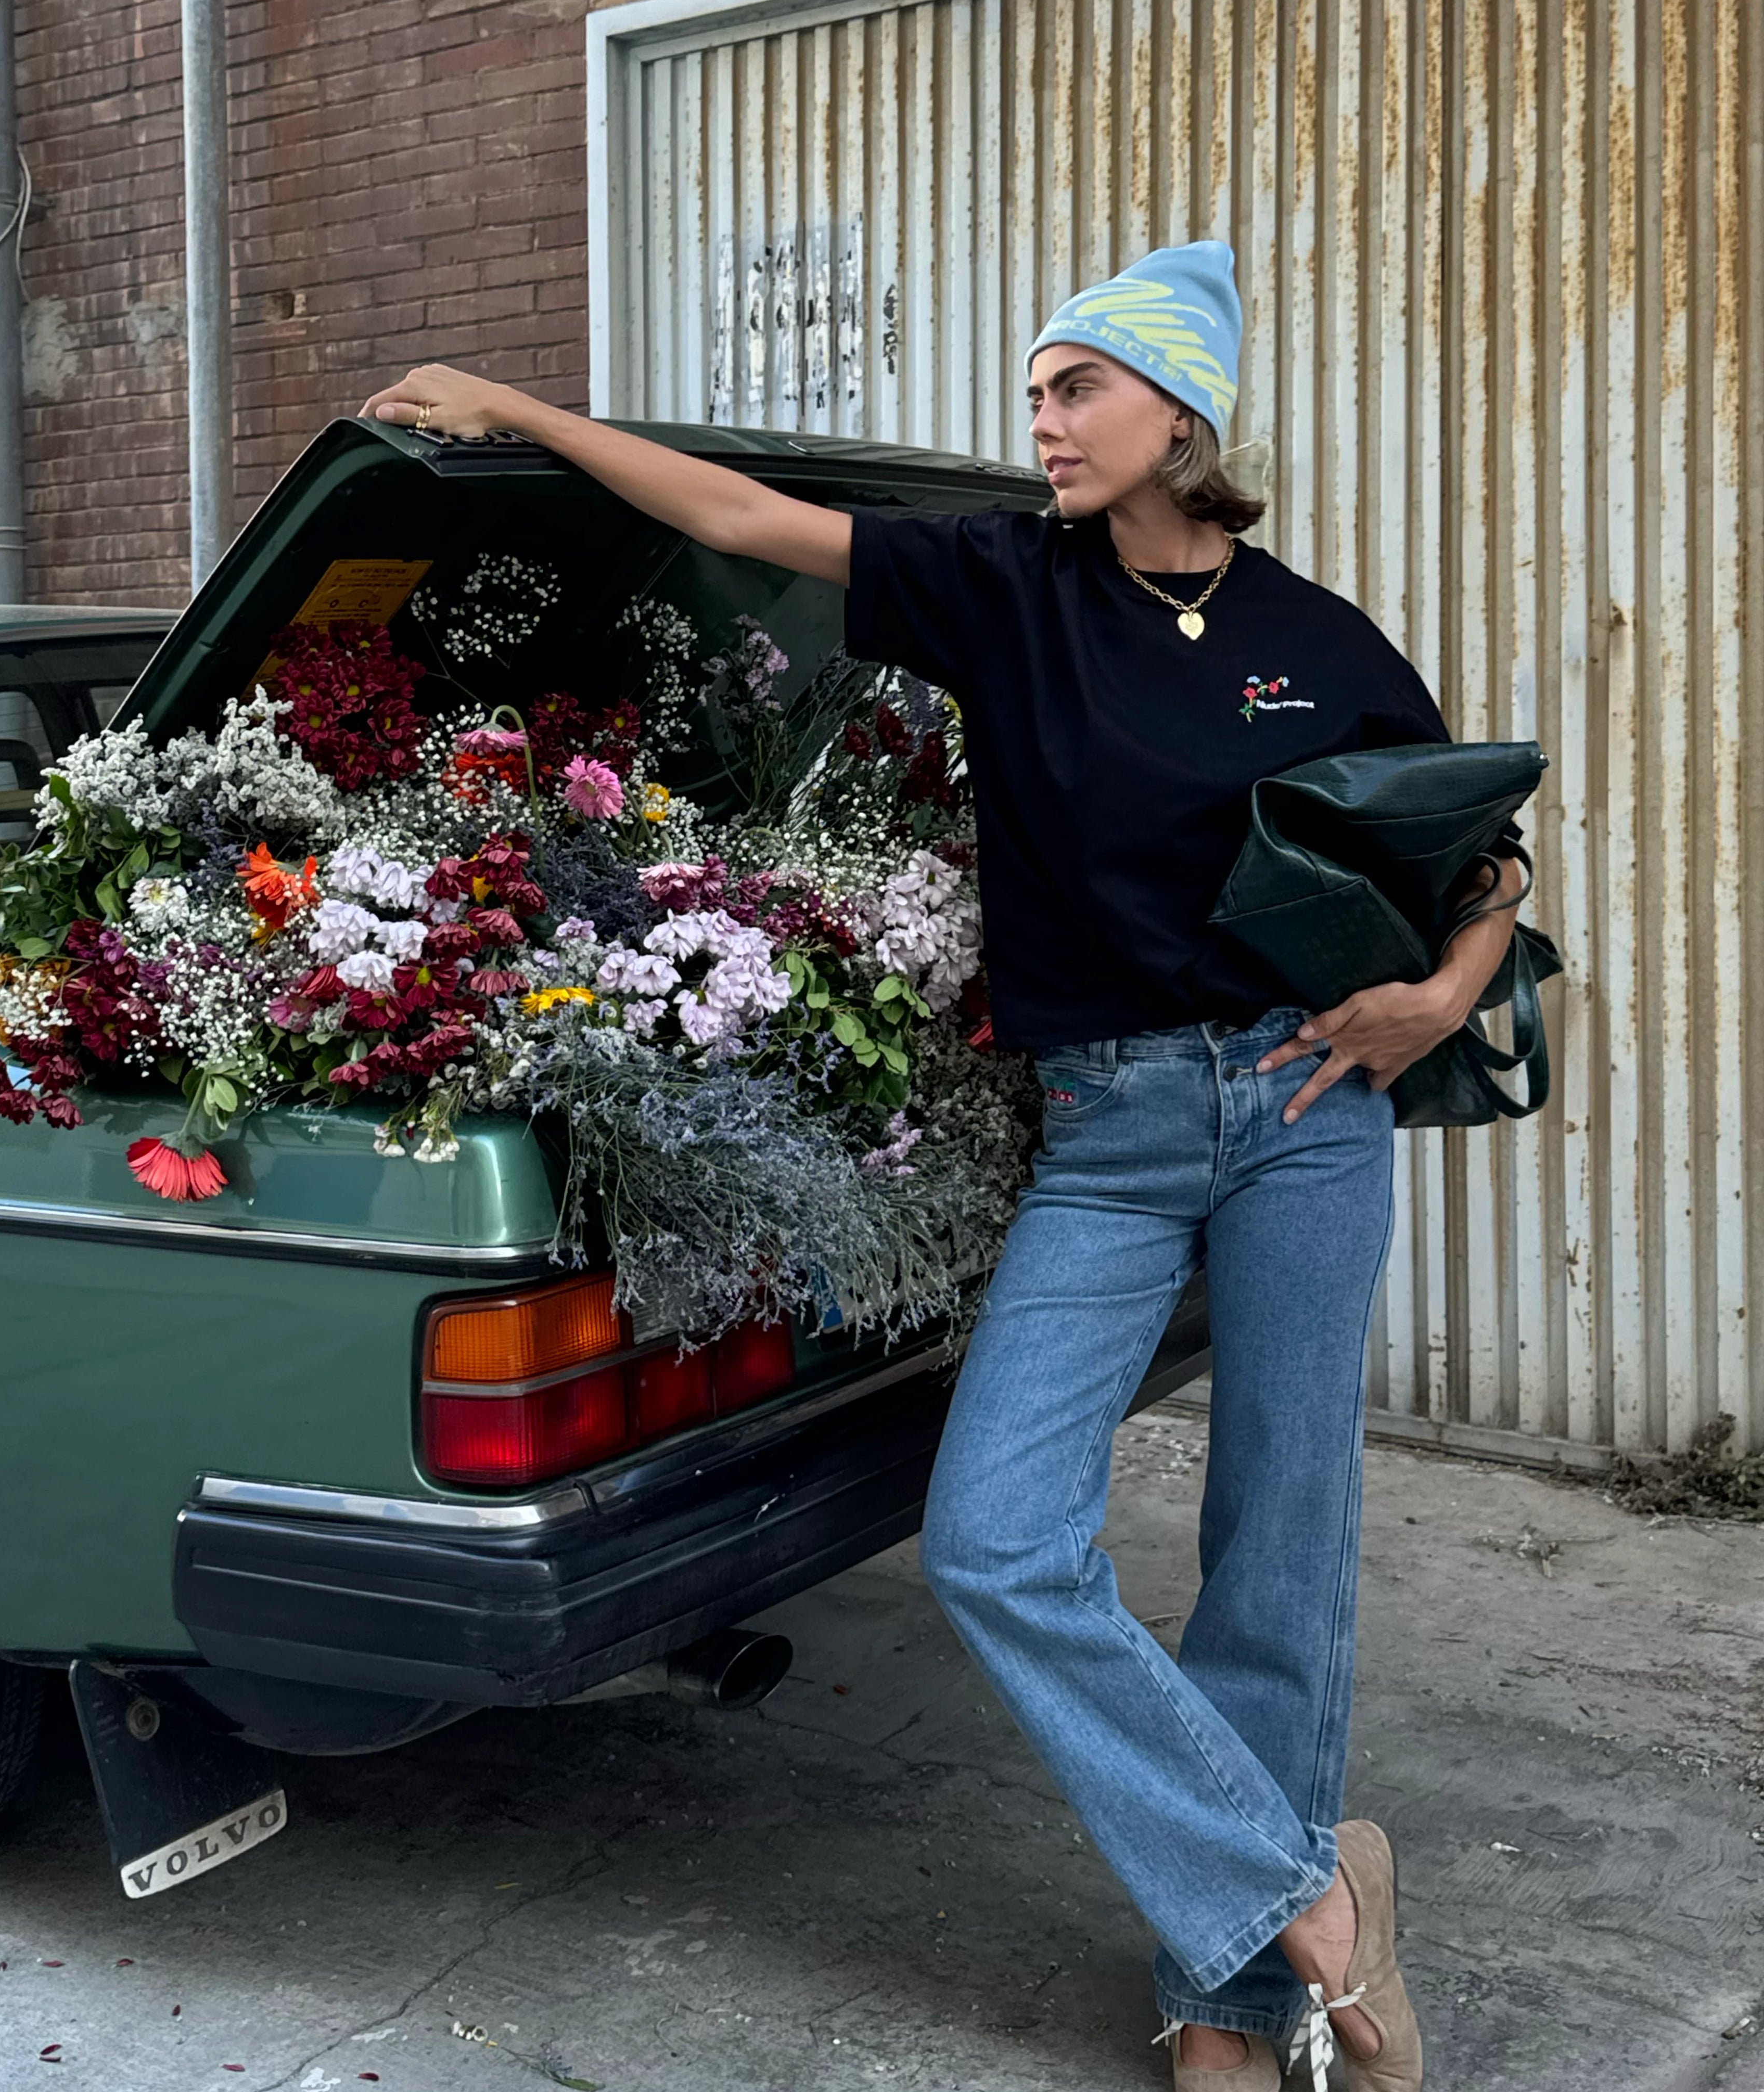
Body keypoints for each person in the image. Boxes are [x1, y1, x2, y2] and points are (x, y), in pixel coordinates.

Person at [361, 242, 1517, 2091]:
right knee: (996, 1538)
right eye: (1039, 390)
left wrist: (1433, 999)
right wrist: (513, 410)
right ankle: (1305, 1898)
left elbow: (1482, 855)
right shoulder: (1003, 588)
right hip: (1113, 1133)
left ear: (1178, 415)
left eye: (1076, 389)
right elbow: (747, 515)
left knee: (1280, 1542)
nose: (1041, 421)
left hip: (1308, 1114)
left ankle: (1229, 2000)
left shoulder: (1324, 638)